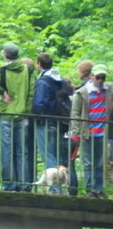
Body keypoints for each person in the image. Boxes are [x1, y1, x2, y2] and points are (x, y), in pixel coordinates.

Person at [0, 43, 35, 192]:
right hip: (23, 115)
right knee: (23, 151)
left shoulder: (2, 70)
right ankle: (24, 184)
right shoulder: (28, 70)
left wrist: (2, 92)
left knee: (6, 151)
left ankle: (9, 185)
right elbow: (31, 92)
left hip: (6, 115)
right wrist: (26, 110)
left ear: (5, 55)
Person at [70, 64, 110, 199]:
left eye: (103, 78)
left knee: (100, 163)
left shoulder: (108, 90)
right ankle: (90, 190)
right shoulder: (82, 93)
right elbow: (75, 114)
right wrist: (75, 133)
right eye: (98, 77)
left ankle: (99, 190)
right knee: (88, 163)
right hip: (87, 132)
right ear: (92, 76)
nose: (100, 80)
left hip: (103, 133)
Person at [33, 53, 70, 193]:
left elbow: (39, 103)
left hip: (46, 122)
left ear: (39, 64)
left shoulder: (43, 81)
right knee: (57, 155)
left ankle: (54, 190)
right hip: (60, 123)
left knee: (48, 156)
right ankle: (63, 188)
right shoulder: (61, 80)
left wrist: (37, 117)